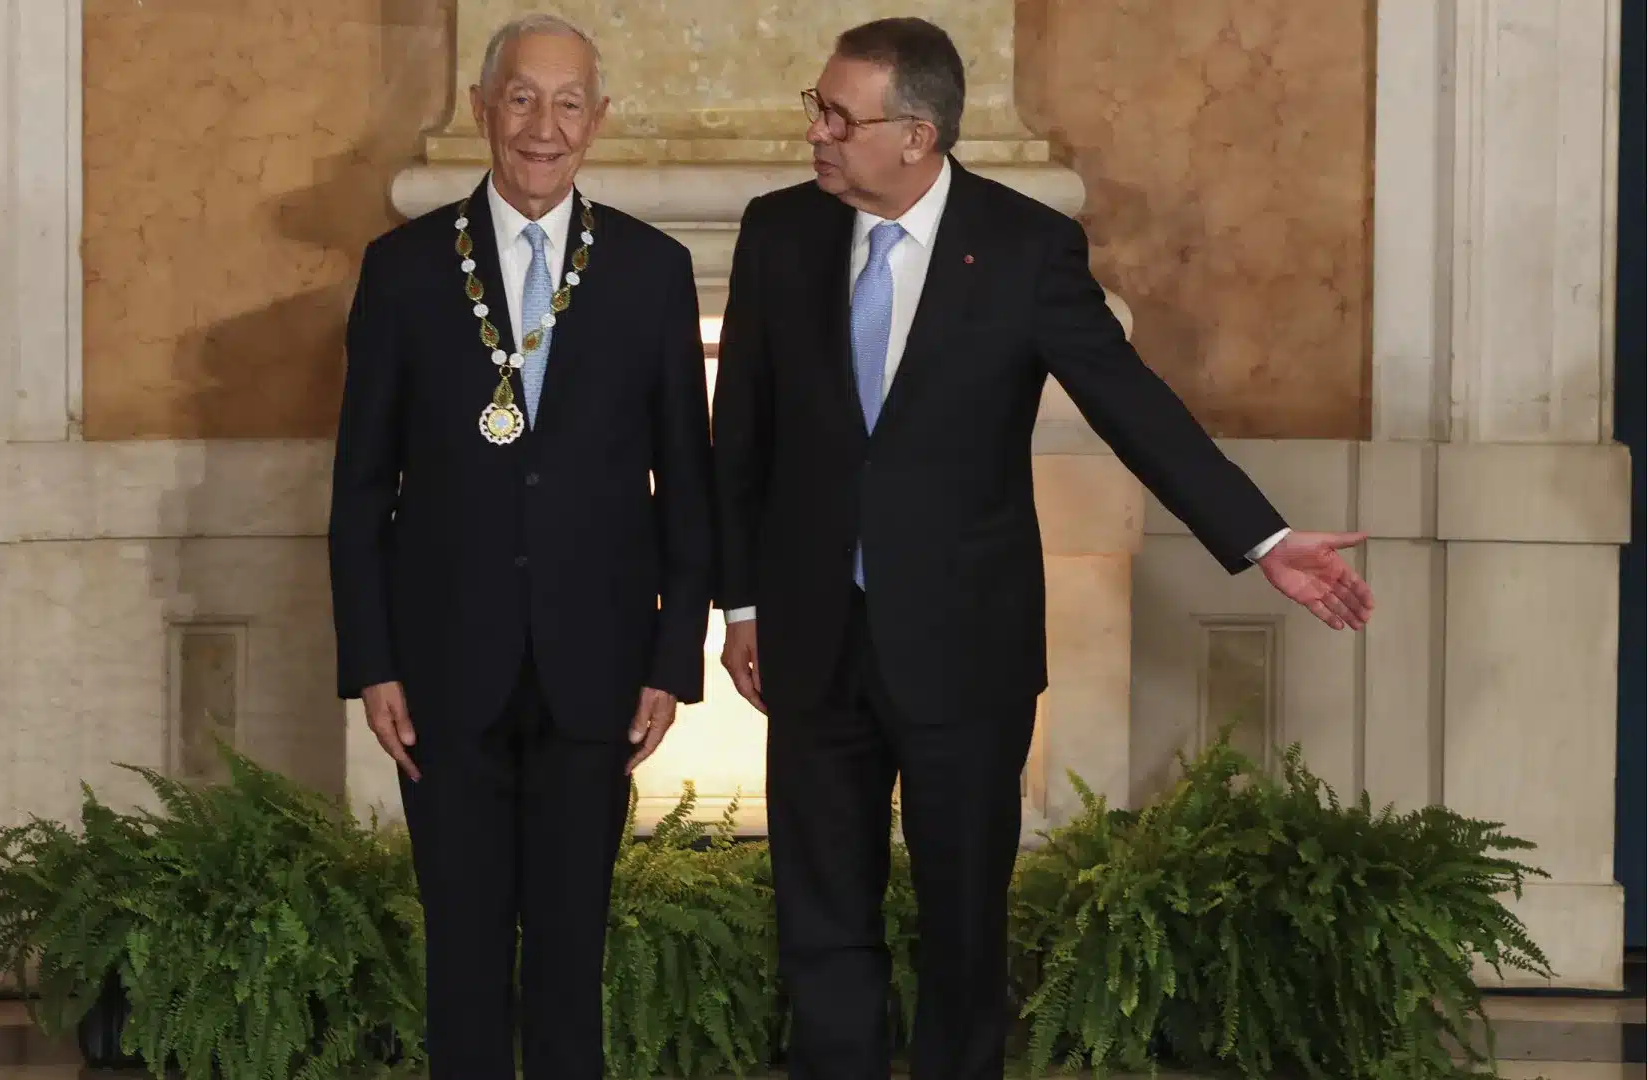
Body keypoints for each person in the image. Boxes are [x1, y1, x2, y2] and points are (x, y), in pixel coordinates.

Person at [710, 17, 1375, 1080]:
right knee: (822, 924)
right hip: (813, 640)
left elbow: (1131, 404)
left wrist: (1265, 537)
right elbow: (737, 437)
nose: (817, 133)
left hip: (967, 654)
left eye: (839, 116)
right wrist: (739, 608)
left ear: (917, 135)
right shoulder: (779, 231)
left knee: (965, 931)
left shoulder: (1021, 247)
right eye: (816, 108)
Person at [326, 14, 713, 1079]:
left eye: (570, 102)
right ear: (484, 111)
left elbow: (689, 486)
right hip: (443, 672)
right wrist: (373, 662)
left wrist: (670, 661)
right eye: (523, 99)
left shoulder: (651, 270)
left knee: (569, 956)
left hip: (597, 673)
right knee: (460, 954)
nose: (545, 127)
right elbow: (360, 489)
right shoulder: (403, 270)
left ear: (599, 120)